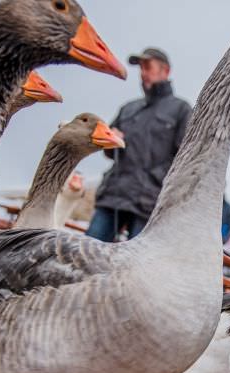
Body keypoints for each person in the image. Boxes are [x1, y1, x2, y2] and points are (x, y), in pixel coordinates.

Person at [87, 47, 192, 241]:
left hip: (149, 204)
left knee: (135, 269)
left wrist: (154, 180)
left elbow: (185, 159)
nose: (143, 73)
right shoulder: (128, 108)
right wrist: (111, 139)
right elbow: (107, 149)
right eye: (141, 68)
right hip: (113, 196)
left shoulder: (181, 110)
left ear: (165, 71)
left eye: (148, 67)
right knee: (86, 256)